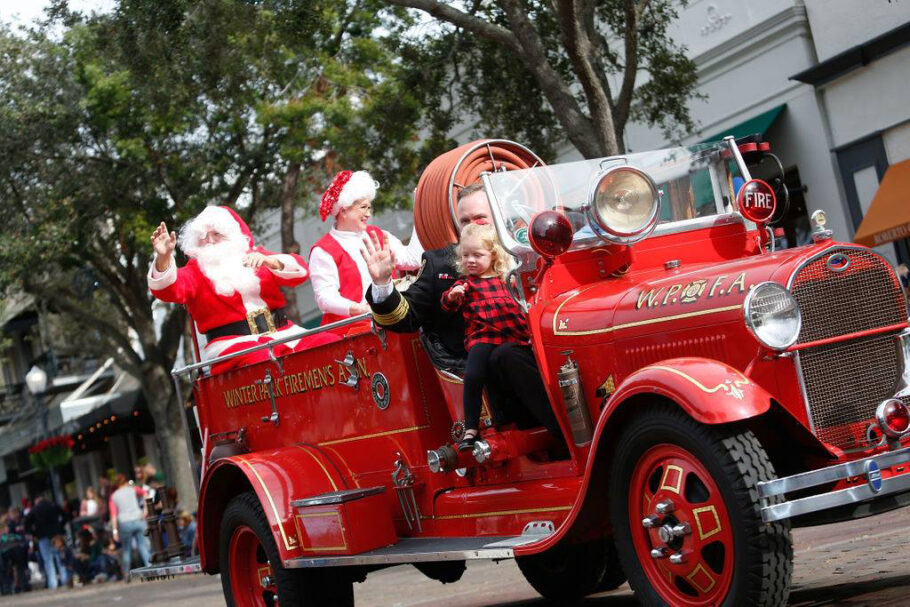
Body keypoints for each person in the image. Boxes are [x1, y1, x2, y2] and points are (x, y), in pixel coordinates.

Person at [364, 183, 562, 439]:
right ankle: (564, 438)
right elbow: (405, 317)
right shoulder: (442, 262)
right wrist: (382, 283)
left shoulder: (533, 247)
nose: (472, 225)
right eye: (465, 220)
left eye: (480, 218)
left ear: (499, 215)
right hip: (492, 369)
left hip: (550, 349)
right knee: (506, 354)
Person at [149, 205, 332, 374]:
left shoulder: (256, 255)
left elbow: (301, 273)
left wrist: (271, 261)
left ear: (231, 235)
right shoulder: (194, 272)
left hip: (284, 333)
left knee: (328, 344)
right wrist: (163, 258)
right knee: (266, 363)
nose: (210, 241)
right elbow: (168, 290)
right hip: (233, 346)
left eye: (216, 234)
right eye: (203, 237)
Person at [441, 223, 532, 450]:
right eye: (465, 255)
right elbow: (447, 304)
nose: (470, 260)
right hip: (483, 337)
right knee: (473, 376)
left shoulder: (505, 280)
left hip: (511, 334)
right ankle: (471, 427)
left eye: (477, 255)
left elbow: (519, 306)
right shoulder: (465, 283)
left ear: (492, 255)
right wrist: (452, 296)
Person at [309, 170, 423, 326]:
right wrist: (363, 310)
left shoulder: (377, 234)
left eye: (369, 207)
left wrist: (420, 212)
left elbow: (413, 259)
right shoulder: (323, 250)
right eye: (363, 207)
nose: (368, 214)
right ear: (344, 210)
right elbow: (325, 298)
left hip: (390, 318)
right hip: (351, 329)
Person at [108, 474, 150, 579]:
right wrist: (145, 510)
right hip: (138, 519)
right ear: (125, 481)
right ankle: (150, 568)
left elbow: (113, 515)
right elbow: (146, 494)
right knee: (142, 546)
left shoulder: (114, 496)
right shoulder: (133, 489)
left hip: (125, 522)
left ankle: (126, 573)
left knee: (126, 549)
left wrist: (114, 531)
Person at [25, 495, 69, 589]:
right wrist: (60, 527)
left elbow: (27, 523)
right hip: (56, 534)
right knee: (60, 558)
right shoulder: (53, 506)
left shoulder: (35, 509)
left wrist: (34, 534)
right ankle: (65, 580)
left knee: (48, 560)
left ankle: (52, 583)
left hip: (42, 536)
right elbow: (65, 515)